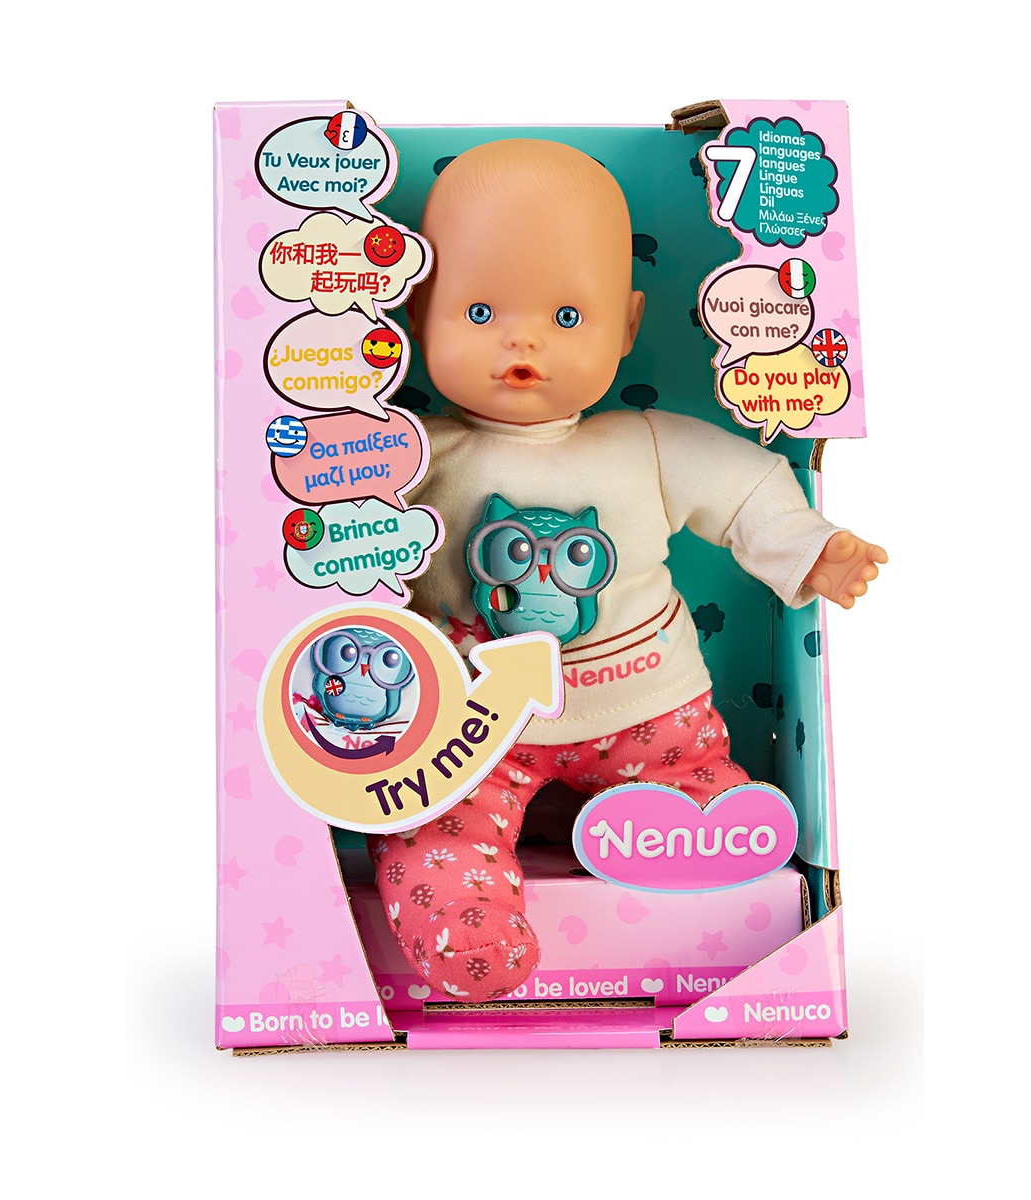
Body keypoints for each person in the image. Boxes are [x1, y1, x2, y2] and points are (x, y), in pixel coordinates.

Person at [366, 138, 885, 1002]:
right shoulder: (411, 457)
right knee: (429, 820)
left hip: (648, 710)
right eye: (480, 311)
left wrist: (811, 546)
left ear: (630, 325)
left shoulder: (641, 444)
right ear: (418, 313)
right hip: (470, 730)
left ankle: (723, 905)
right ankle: (471, 930)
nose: (523, 339)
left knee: (708, 805)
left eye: (569, 317)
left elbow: (749, 486)